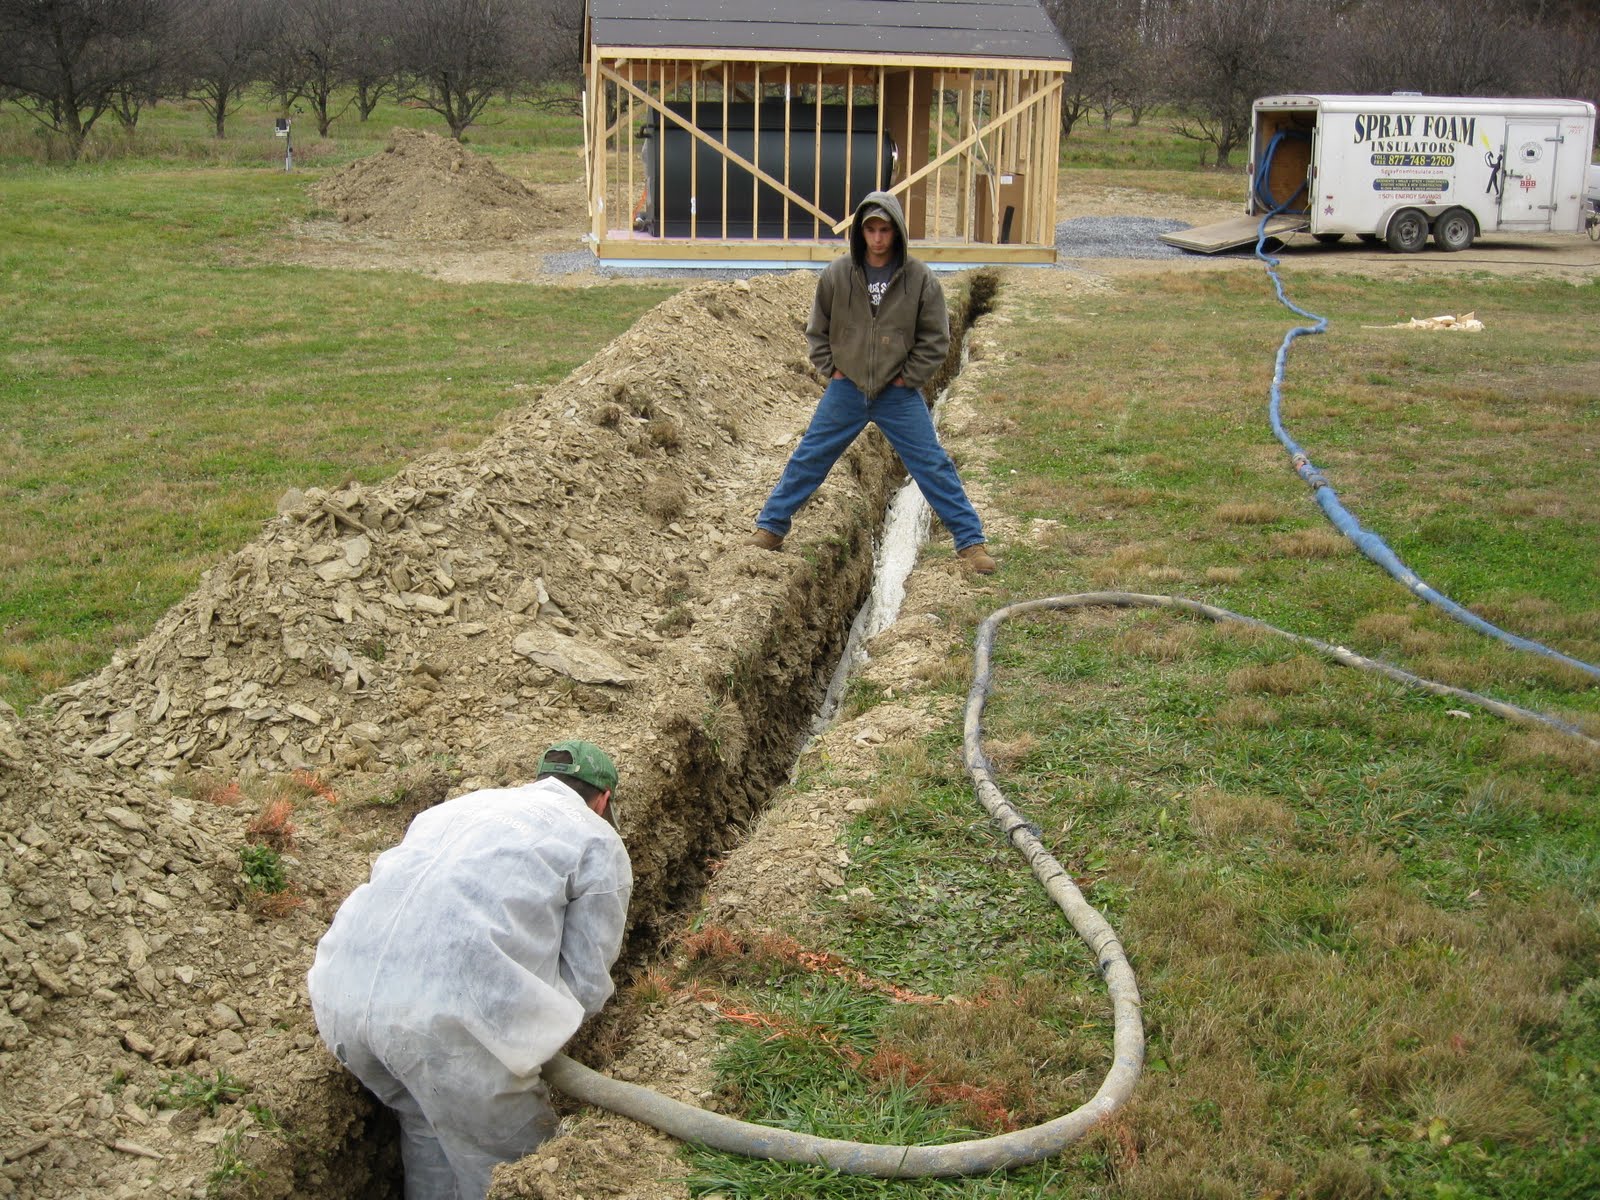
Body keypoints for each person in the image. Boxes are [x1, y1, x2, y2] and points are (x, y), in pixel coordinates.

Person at [306, 740, 632, 1200]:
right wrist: (534, 1035)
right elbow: (587, 980)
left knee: (426, 1123)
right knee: (511, 1168)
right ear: (603, 800)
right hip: (450, 1027)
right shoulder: (596, 837)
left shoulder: (462, 807)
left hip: (340, 1000)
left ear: (542, 780)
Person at [750, 189, 996, 574]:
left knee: (932, 464)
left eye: (885, 230)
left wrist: (908, 378)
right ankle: (771, 527)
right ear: (861, 232)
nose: (878, 238)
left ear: (896, 231)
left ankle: (970, 542)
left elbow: (936, 339)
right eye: (871, 230)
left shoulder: (919, 279)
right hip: (846, 389)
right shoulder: (837, 275)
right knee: (810, 458)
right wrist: (831, 369)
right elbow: (817, 329)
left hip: (896, 394)